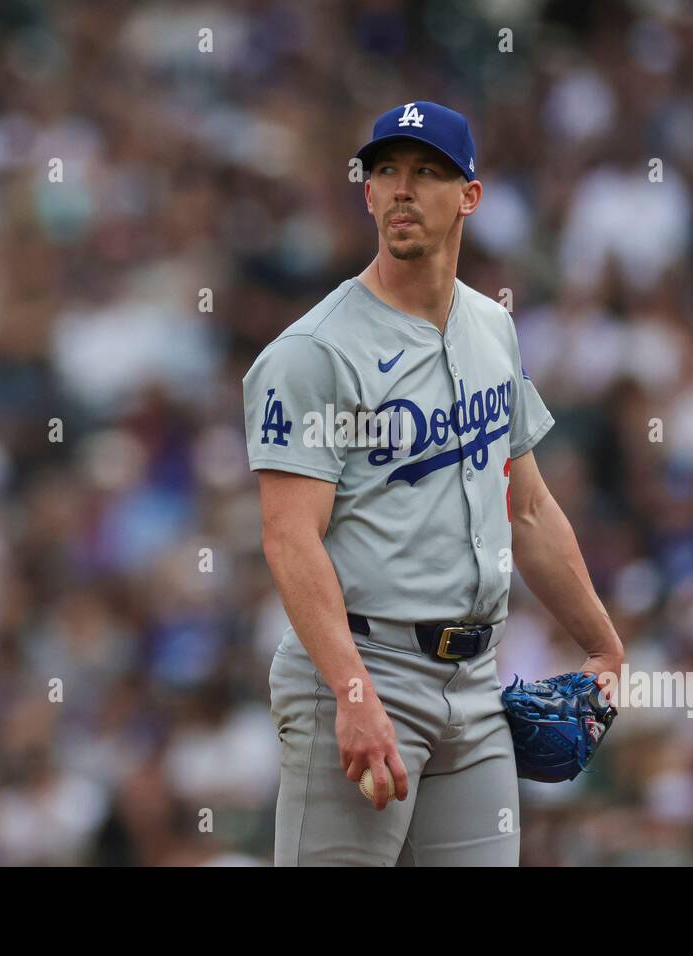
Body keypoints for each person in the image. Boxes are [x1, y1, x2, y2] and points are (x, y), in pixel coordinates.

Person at [243, 101, 624, 866]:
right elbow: (289, 536)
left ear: (470, 196)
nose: (402, 190)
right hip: (361, 671)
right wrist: (353, 695)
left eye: (426, 172)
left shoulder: (492, 327)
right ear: (367, 194)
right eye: (386, 171)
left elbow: (531, 505)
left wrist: (604, 644)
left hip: (477, 683)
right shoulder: (315, 353)